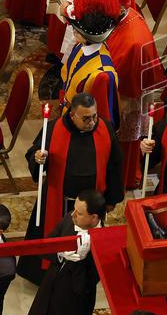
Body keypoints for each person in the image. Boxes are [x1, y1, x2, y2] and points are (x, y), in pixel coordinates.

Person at [19, 93, 123, 284]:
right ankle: (48, 274)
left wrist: (111, 199)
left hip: (91, 204)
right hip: (59, 201)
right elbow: (34, 152)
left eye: (94, 116)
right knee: (53, 239)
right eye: (86, 118)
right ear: (72, 114)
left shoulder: (105, 128)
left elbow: (115, 164)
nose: (92, 122)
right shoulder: (53, 129)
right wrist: (38, 158)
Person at [27, 188, 105, 315]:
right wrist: (60, 253)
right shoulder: (68, 221)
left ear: (94, 218)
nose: (73, 214)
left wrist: (81, 260)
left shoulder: (102, 242)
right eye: (74, 209)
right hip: (48, 296)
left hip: (72, 310)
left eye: (79, 213)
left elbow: (83, 288)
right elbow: (44, 248)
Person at [105, 0, 164, 190]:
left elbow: (127, 79)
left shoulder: (133, 40)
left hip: (130, 96)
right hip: (131, 87)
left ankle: (123, 178)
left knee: (126, 138)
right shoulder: (128, 15)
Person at [61, 0, 122, 128]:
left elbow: (102, 119)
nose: (74, 30)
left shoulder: (103, 75)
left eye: (77, 28)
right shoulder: (79, 47)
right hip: (68, 115)